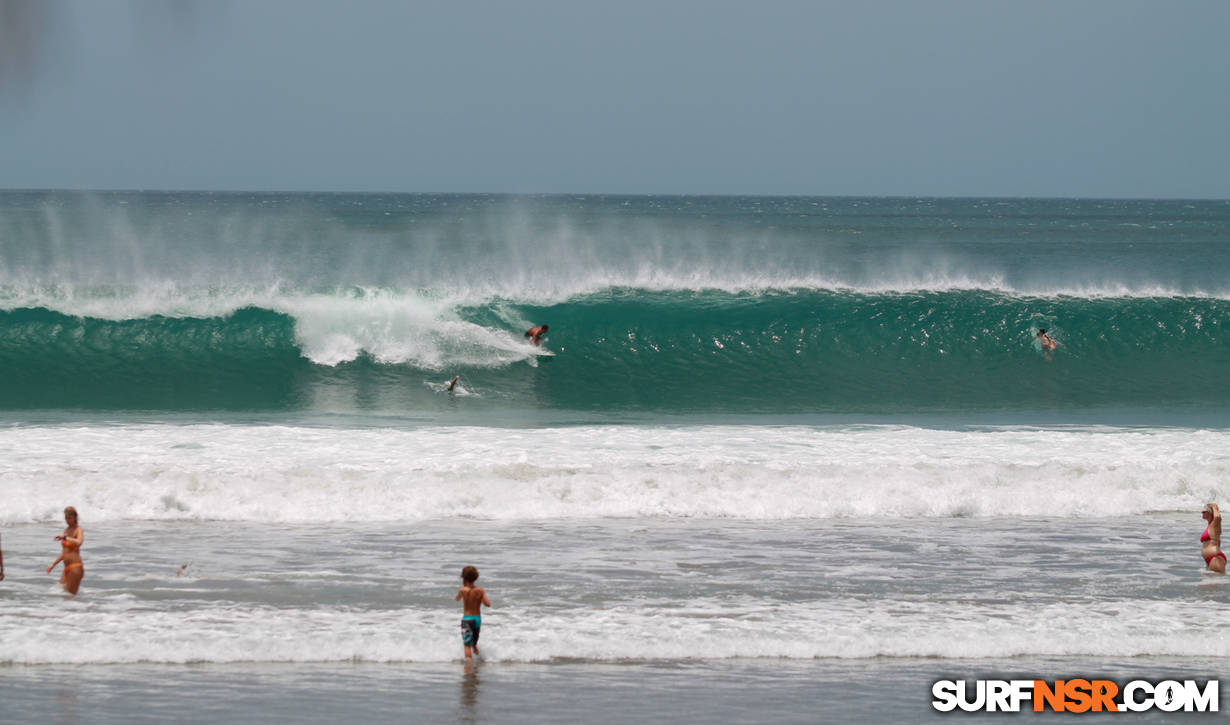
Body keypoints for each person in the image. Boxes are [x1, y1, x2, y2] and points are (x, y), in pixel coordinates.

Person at [455, 565, 491, 668]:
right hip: (477, 620)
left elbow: (457, 599)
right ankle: (480, 659)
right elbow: (487, 604)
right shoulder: (480, 590)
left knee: (467, 645)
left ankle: (469, 665)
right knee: (474, 643)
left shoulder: (462, 590)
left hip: (467, 619)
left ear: (464, 578)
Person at [46, 506, 84, 594]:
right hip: (66, 569)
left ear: (75, 517)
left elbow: (79, 542)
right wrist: (53, 564)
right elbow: (64, 552)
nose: (67, 520)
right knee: (58, 593)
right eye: (66, 518)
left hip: (75, 567)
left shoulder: (78, 530)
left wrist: (65, 538)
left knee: (70, 597)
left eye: (69, 518)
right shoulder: (66, 530)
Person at [1201, 503, 1225, 573]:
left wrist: (1214, 507)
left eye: (1204, 511)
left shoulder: (1215, 524)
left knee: (1216, 582)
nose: (1202, 512)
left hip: (1215, 558)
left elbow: (1217, 517)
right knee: (1210, 582)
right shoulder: (1211, 526)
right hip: (1211, 558)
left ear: (1210, 513)